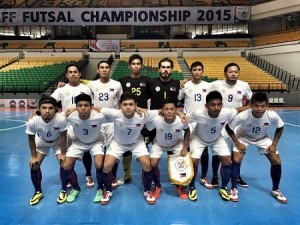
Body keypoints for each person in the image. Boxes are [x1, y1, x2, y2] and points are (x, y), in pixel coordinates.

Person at [97, 92, 159, 205]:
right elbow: (95, 109)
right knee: (106, 166)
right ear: (120, 105)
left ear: (136, 105)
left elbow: (162, 111)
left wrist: (179, 114)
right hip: (118, 143)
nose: (128, 107)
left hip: (136, 143)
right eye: (125, 104)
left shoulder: (143, 114)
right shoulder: (115, 113)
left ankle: (147, 190)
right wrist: (73, 110)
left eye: (131, 104)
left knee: (147, 164)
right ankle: (108, 191)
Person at [225, 92, 287, 203]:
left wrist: (274, 145)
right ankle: (234, 188)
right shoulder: (243, 115)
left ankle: (276, 189)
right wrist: (237, 143)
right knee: (236, 159)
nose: (259, 109)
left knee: (276, 161)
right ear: (251, 105)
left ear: (267, 105)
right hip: (242, 137)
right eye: (256, 106)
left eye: (263, 106)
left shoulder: (271, 115)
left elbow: (280, 127)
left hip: (262, 138)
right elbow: (228, 127)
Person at [186, 91, 238, 201]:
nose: (216, 108)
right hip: (198, 138)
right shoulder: (198, 113)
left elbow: (238, 110)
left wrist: (251, 106)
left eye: (219, 104)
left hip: (216, 139)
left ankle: (223, 188)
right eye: (212, 105)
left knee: (227, 160)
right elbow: (184, 119)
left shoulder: (227, 112)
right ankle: (191, 187)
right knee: (194, 160)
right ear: (206, 106)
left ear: (222, 105)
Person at [208, 62, 252, 188]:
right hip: (220, 122)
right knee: (218, 151)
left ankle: (236, 175)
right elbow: (202, 88)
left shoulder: (244, 85)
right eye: (230, 72)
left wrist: (244, 108)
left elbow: (250, 100)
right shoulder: (216, 84)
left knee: (236, 151)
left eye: (236, 72)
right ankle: (215, 175)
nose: (233, 74)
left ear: (238, 73)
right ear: (225, 73)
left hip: (237, 122)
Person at [51, 63, 95, 188]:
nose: (73, 74)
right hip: (67, 126)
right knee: (69, 151)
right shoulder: (61, 89)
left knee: (86, 151)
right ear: (66, 75)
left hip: (82, 124)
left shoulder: (86, 89)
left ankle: (88, 174)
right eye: (70, 72)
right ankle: (70, 175)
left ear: (80, 74)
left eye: (75, 72)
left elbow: (90, 106)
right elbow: (50, 102)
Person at [63, 93, 108, 203]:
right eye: (80, 105)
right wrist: (36, 113)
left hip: (97, 141)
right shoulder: (70, 116)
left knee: (98, 163)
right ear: (76, 107)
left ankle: (100, 189)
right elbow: (53, 116)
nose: (83, 108)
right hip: (79, 142)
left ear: (91, 106)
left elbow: (117, 114)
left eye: (86, 105)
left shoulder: (99, 116)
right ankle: (76, 189)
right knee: (66, 165)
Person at [116, 54, 152, 186]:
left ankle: (146, 176)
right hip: (126, 119)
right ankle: (127, 175)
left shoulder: (148, 80)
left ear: (142, 66)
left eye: (138, 64)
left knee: (144, 148)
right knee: (126, 148)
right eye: (133, 63)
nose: (136, 66)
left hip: (142, 120)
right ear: (129, 66)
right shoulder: (122, 81)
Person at [26, 96, 68, 205]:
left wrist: (63, 154)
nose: (47, 111)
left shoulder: (61, 119)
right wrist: (33, 156)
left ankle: (64, 189)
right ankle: (38, 191)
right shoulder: (33, 120)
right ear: (39, 109)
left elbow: (64, 137)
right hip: (41, 142)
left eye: (50, 108)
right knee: (34, 164)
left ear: (55, 109)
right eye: (44, 108)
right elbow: (31, 139)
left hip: (58, 141)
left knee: (64, 163)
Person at [178, 61, 213, 189]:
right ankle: (186, 175)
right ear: (191, 71)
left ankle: (203, 177)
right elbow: (179, 99)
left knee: (204, 150)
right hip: (189, 121)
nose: (197, 72)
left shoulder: (209, 86)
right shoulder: (185, 86)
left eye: (199, 69)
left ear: (202, 71)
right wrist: (181, 85)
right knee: (186, 149)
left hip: (203, 121)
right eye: (194, 70)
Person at [87, 60, 122, 188]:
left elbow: (121, 102)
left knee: (114, 151)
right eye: (101, 67)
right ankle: (101, 178)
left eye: (107, 67)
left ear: (110, 70)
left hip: (113, 123)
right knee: (99, 152)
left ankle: (113, 176)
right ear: (98, 70)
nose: (104, 69)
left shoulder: (117, 84)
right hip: (97, 123)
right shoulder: (91, 85)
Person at [146, 98, 190, 200]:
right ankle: (157, 186)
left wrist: (185, 147)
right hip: (159, 144)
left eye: (172, 109)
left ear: (176, 110)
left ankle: (180, 186)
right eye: (166, 109)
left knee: (182, 163)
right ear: (162, 110)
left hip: (176, 144)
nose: (169, 111)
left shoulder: (181, 121)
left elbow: (187, 131)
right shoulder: (156, 120)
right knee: (153, 163)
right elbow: (147, 128)